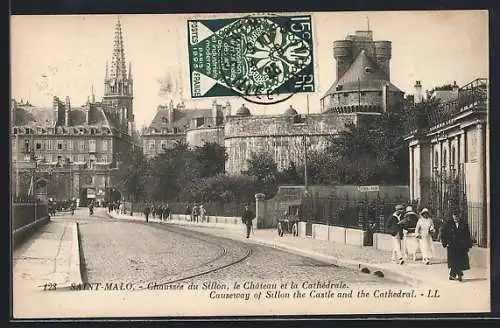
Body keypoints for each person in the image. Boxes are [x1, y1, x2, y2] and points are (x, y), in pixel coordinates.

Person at [440, 211, 473, 281]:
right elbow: (443, 233)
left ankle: (452, 275)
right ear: (452, 215)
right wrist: (445, 242)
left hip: (461, 245)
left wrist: (468, 244)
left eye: (457, 215)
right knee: (454, 260)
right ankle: (459, 273)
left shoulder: (464, 223)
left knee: (459, 260)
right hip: (452, 245)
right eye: (454, 215)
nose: (456, 217)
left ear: (459, 215)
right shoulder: (448, 223)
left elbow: (467, 235)